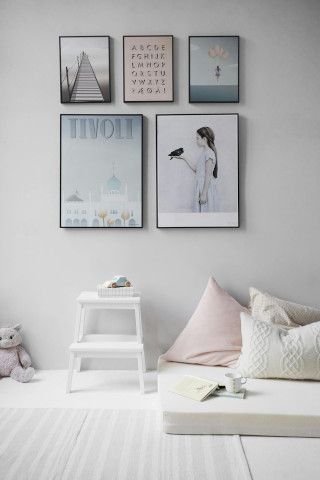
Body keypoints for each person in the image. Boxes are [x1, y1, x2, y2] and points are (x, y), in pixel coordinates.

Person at [171, 126, 219, 213]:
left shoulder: (209, 154)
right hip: (201, 187)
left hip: (206, 188)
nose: (196, 141)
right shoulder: (204, 152)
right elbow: (197, 170)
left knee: (206, 213)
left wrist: (204, 194)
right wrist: (183, 157)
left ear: (204, 139)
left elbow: (208, 176)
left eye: (197, 138)